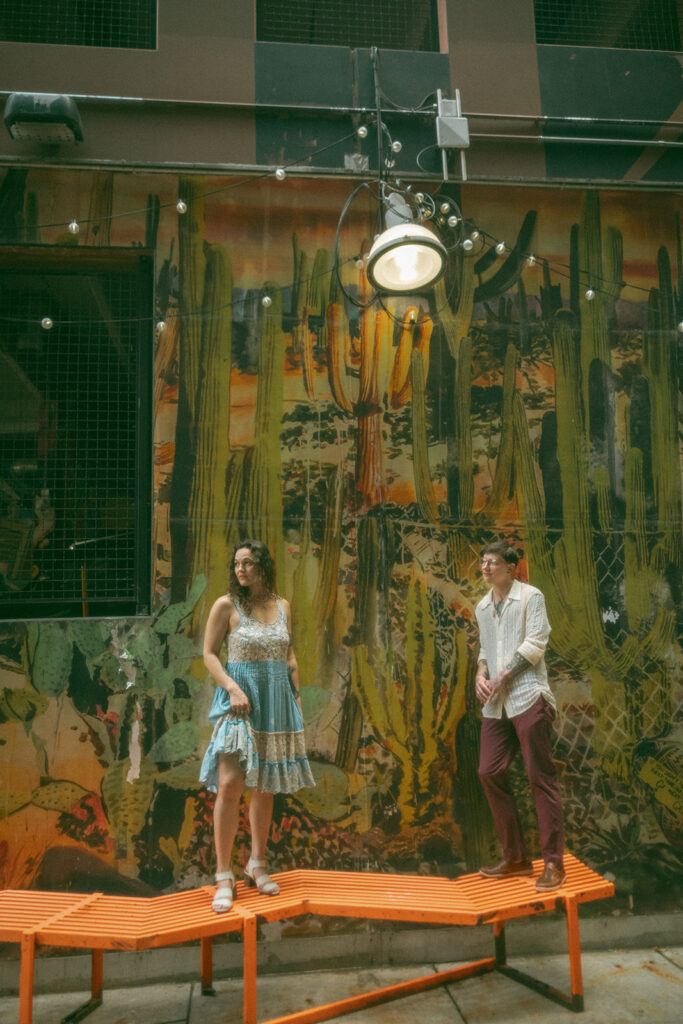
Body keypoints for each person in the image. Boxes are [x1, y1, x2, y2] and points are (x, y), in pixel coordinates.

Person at [199, 539, 315, 912]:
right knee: (232, 783)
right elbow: (209, 654)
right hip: (239, 702)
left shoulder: (282, 606)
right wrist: (231, 687)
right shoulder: (226, 606)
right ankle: (222, 874)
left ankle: (257, 863)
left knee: (265, 784)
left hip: (276, 704)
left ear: (264, 566)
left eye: (248, 563)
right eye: (237, 564)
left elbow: (289, 652)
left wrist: (295, 699)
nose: (240, 570)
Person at [474, 541, 566, 891]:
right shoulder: (483, 607)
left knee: (539, 776)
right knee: (488, 771)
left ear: (511, 567)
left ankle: (554, 865)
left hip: (528, 698)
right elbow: (485, 649)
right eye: (483, 562)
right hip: (496, 704)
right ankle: (515, 858)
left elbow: (535, 644)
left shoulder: (531, 597)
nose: (485, 568)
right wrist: (480, 676)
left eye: (492, 562)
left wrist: (501, 676)